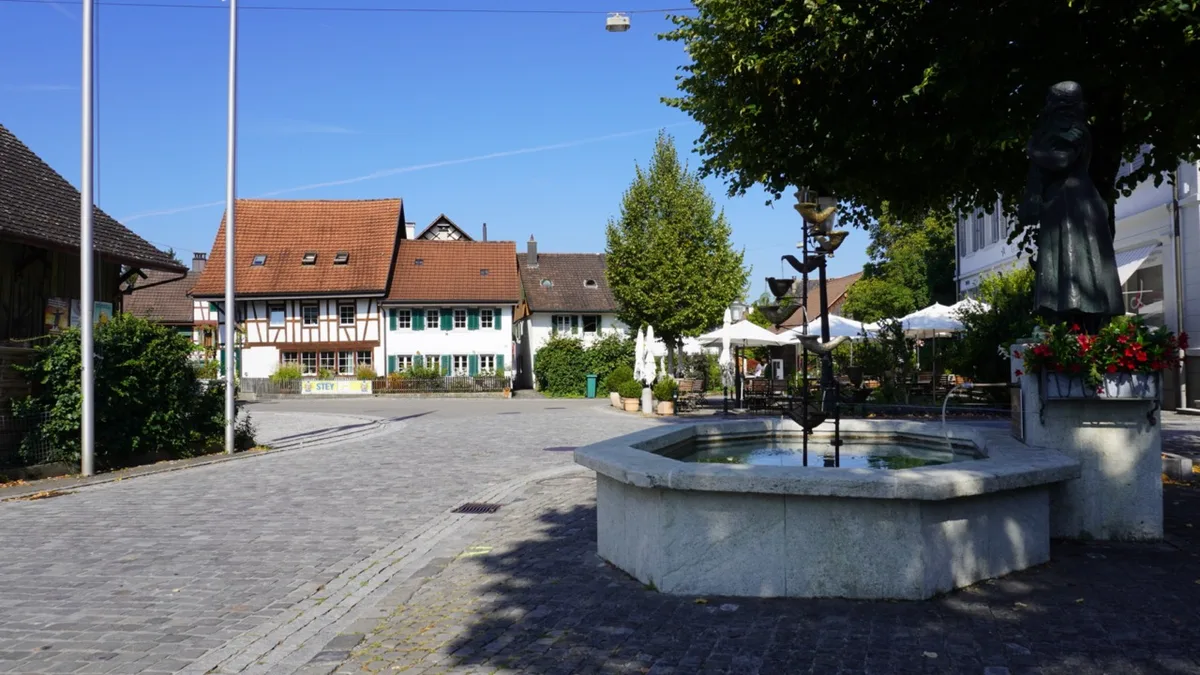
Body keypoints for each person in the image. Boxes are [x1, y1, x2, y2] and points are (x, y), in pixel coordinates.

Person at [1019, 81, 1124, 333]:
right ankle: (1066, 323)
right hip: (1058, 204)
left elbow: (1062, 160)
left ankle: (1087, 320)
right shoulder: (1051, 132)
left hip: (1076, 204)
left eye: (1052, 101)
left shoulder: (1076, 130)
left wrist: (1033, 150)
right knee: (1060, 261)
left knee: (1078, 260)